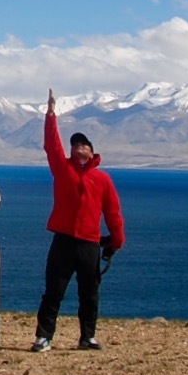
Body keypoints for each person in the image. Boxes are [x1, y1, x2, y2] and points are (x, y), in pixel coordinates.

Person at [31, 88, 125, 352]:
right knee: (53, 292)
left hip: (89, 245)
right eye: (74, 145)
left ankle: (88, 337)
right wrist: (51, 115)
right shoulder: (63, 170)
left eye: (82, 144)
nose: (77, 147)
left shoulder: (103, 180)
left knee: (89, 294)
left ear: (92, 152)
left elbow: (113, 212)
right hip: (63, 241)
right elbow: (51, 145)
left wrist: (116, 241)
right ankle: (43, 337)